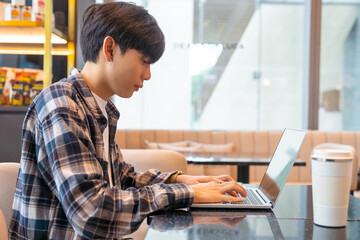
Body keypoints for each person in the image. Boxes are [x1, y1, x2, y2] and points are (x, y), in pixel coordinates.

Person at [9, 2, 246, 239]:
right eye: (144, 60)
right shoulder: (61, 104)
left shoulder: (101, 107)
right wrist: (187, 193)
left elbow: (120, 178)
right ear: (110, 49)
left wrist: (183, 181)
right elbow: (93, 212)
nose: (148, 74)